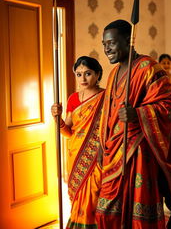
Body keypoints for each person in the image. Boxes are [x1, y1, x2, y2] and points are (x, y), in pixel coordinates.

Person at [95, 20, 171, 229]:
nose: (107, 49)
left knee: (138, 212)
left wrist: (138, 114)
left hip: (139, 150)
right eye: (104, 44)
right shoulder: (113, 73)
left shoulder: (148, 67)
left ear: (128, 40)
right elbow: (108, 113)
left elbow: (169, 105)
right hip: (113, 149)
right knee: (105, 210)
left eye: (112, 43)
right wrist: (101, 143)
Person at [51, 56, 105, 229]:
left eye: (88, 73)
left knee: (96, 193)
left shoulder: (106, 96)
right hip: (76, 155)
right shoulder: (73, 98)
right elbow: (67, 131)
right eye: (79, 74)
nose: (83, 78)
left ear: (97, 74)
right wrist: (57, 118)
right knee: (78, 195)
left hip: (98, 155)